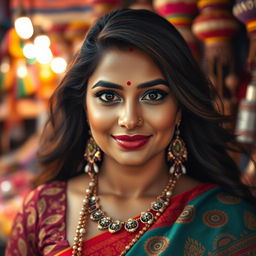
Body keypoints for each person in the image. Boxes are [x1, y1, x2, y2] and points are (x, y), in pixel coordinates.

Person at [5, 9, 256, 256]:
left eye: (153, 95)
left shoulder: (227, 221)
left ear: (180, 107)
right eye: (108, 96)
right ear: (84, 107)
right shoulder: (42, 210)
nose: (130, 119)